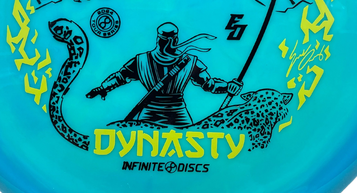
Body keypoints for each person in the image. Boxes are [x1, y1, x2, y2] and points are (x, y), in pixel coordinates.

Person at [85, 23, 243, 127]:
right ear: (158, 39)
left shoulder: (189, 61)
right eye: (162, 40)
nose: (164, 43)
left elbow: (209, 84)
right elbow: (120, 77)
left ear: (175, 39)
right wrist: (103, 88)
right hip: (148, 113)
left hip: (179, 115)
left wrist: (228, 86)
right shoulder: (141, 61)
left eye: (168, 40)